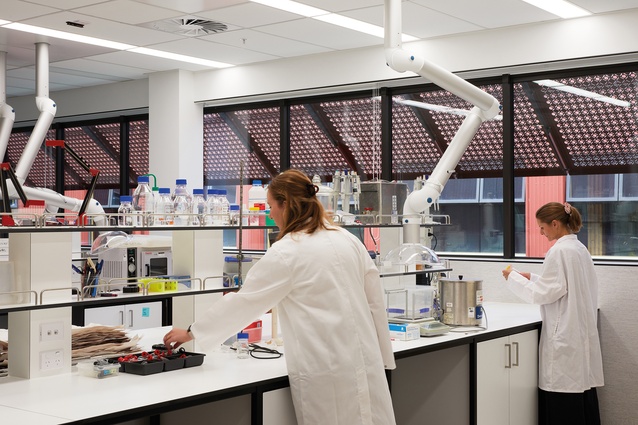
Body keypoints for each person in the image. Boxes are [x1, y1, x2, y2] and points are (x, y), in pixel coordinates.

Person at [164, 169, 396, 425]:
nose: (270, 213)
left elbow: (245, 302)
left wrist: (192, 332)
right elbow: (375, 300)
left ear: (286, 204)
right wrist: (384, 357)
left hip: (326, 368)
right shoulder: (346, 239)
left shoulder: (288, 251)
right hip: (364, 362)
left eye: (271, 205)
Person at [502, 202, 604, 425]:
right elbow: (563, 286)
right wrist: (535, 277)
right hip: (579, 333)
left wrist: (513, 278)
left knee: (563, 400)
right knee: (582, 397)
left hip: (565, 337)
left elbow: (542, 295)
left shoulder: (558, 251)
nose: (540, 232)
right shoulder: (579, 249)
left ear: (555, 224)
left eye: (542, 227)